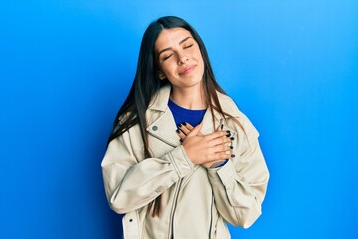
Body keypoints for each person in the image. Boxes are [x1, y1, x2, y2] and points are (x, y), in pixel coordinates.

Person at [101, 16, 269, 239]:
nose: (183, 58)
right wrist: (184, 157)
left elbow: (246, 215)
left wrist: (219, 165)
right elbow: (118, 197)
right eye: (168, 55)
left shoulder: (236, 125)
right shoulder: (135, 122)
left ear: (200, 50)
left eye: (188, 45)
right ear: (159, 70)